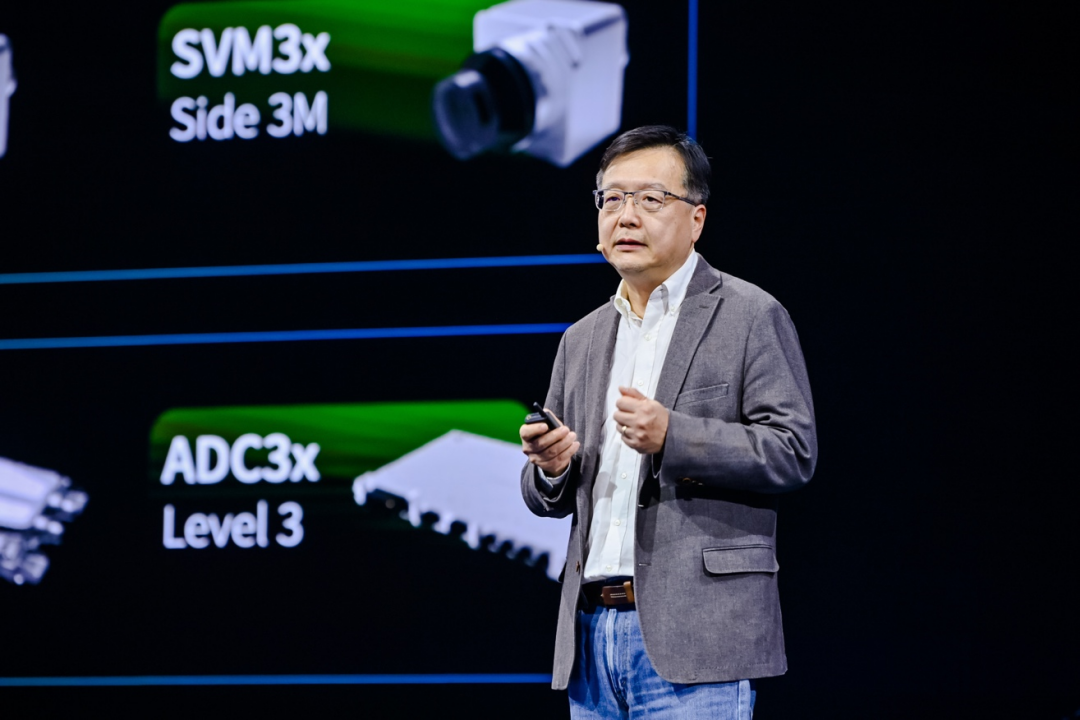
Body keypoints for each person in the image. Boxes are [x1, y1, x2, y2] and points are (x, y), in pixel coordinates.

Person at [519, 125, 817, 719]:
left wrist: (673, 436)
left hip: (698, 637)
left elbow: (792, 450)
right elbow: (544, 496)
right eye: (612, 198)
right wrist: (552, 468)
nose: (626, 216)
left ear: (696, 219)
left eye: (650, 199)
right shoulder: (580, 339)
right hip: (591, 636)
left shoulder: (750, 315)